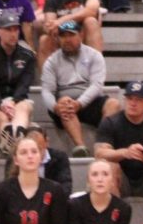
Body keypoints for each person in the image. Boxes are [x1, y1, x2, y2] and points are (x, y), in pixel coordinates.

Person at [40, 20, 120, 158]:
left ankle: (103, 145)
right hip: (64, 106)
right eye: (63, 36)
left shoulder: (94, 56)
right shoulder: (52, 61)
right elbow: (47, 90)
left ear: (81, 35)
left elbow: (96, 85)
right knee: (65, 101)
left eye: (71, 35)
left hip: (89, 102)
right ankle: (80, 147)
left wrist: (80, 103)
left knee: (114, 104)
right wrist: (55, 107)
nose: (67, 40)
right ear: (58, 38)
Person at [0, 12, 36, 153]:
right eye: (8, 30)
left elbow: (25, 84)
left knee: (21, 109)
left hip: (19, 99)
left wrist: (13, 101)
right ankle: (14, 144)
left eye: (16, 29)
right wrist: (1, 104)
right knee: (2, 117)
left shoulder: (28, 56)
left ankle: (15, 137)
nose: (13, 34)